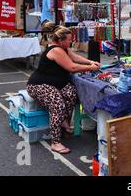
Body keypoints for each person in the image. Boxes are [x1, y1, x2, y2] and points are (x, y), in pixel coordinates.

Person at [27, 22, 101, 154]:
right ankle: (55, 142)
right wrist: (90, 67)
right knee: (58, 105)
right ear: (60, 41)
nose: (71, 42)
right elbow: (71, 67)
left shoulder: (63, 48)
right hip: (39, 85)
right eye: (69, 40)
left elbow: (75, 57)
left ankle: (63, 123)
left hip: (56, 83)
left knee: (71, 93)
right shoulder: (56, 50)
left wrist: (90, 62)